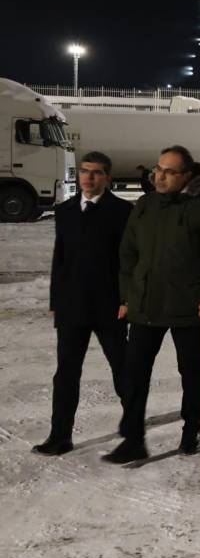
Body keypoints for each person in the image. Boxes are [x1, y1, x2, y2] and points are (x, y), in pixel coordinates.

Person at [102, 145, 200, 463]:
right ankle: (133, 439)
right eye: (158, 169)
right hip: (145, 304)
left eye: (169, 171)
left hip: (187, 305)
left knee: (189, 369)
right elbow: (128, 254)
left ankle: (192, 430)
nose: (160, 176)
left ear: (186, 175)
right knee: (134, 373)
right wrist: (124, 297)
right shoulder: (145, 205)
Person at [34, 151, 132, 456]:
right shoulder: (64, 211)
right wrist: (56, 300)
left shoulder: (123, 211)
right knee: (66, 374)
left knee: (122, 369)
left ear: (108, 177)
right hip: (72, 307)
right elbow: (59, 259)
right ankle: (60, 435)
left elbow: (130, 261)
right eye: (85, 171)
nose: (89, 177)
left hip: (110, 306)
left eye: (97, 172)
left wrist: (128, 299)